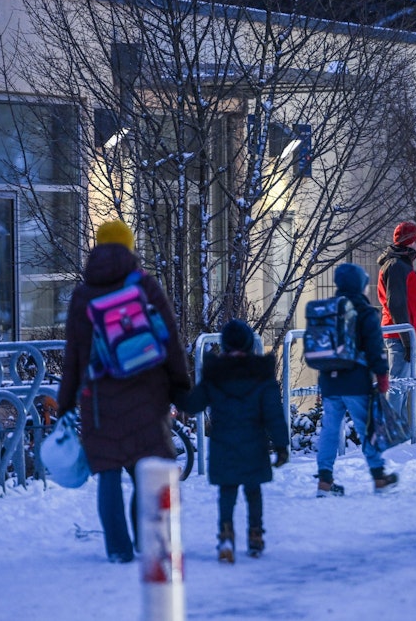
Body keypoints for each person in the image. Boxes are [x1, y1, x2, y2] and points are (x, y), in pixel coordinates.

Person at [55, 219, 192, 563]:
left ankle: (117, 549)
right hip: (148, 393)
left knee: (109, 474)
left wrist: (66, 403)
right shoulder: (144, 285)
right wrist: (180, 387)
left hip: (100, 400)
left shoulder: (83, 295)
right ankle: (147, 539)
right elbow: (170, 339)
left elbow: (73, 355)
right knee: (147, 470)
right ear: (130, 246)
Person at [182, 319, 290, 563]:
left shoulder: (214, 375)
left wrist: (176, 390)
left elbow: (193, 404)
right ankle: (255, 536)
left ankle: (226, 535)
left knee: (227, 492)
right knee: (253, 492)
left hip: (224, 444)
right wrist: (282, 446)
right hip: (254, 443)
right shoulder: (261, 375)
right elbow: (273, 413)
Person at [316, 263, 395, 497]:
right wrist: (382, 376)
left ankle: (325, 482)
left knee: (330, 430)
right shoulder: (365, 311)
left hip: (330, 381)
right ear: (359, 284)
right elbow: (374, 348)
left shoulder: (327, 310)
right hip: (355, 382)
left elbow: (320, 348)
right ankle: (379, 478)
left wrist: (322, 382)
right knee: (366, 428)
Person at [376, 221, 416, 417]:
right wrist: (408, 339)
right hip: (400, 335)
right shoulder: (397, 266)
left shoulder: (401, 264)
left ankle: (401, 431)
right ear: (411, 241)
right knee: (398, 385)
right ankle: (392, 431)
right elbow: (396, 304)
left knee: (403, 386)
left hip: (404, 334)